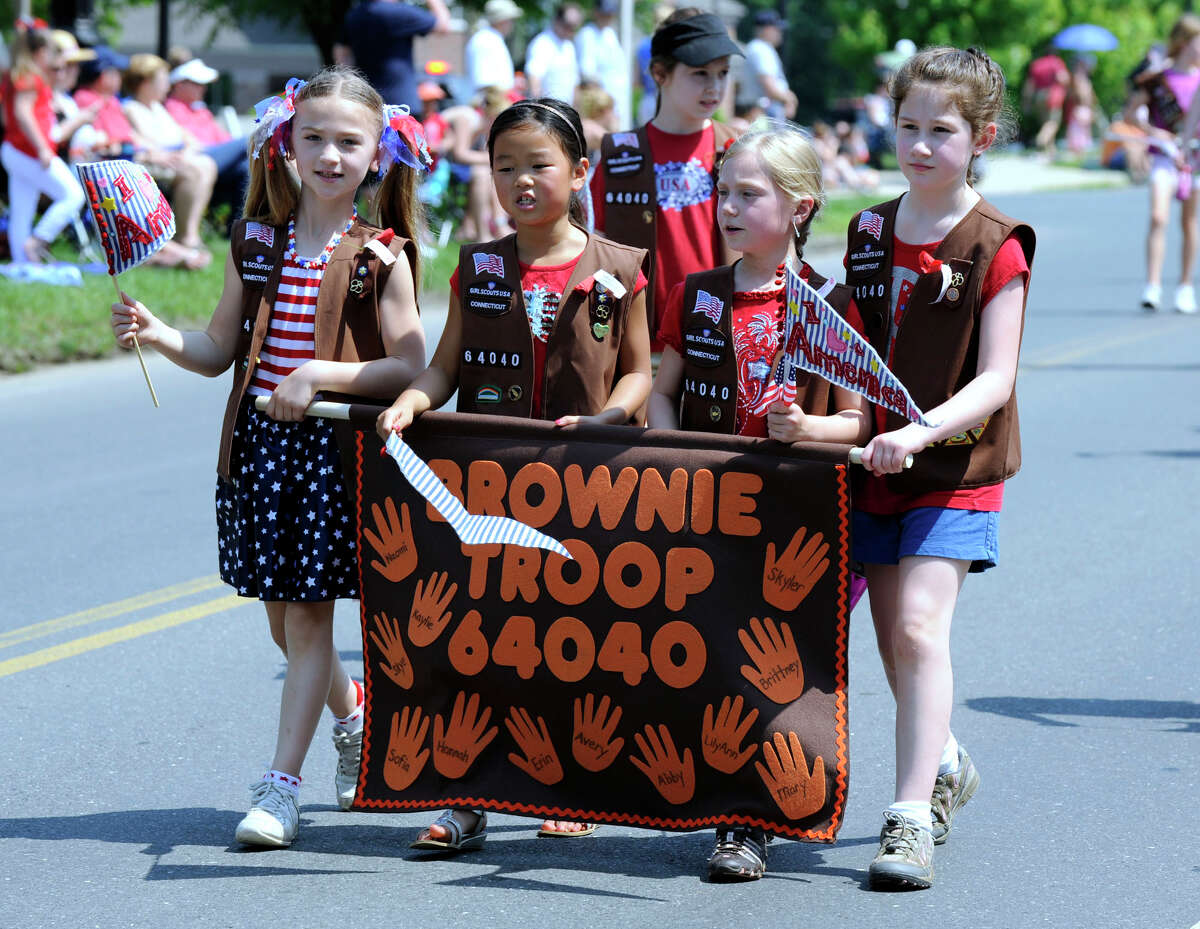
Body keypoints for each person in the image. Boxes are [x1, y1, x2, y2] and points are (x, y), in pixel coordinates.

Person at [109, 66, 428, 848]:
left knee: (310, 617)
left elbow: (412, 366)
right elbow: (220, 347)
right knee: (282, 625)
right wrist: (157, 332)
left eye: (347, 141)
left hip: (330, 452)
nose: (328, 154)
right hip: (257, 449)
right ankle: (353, 717)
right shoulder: (256, 241)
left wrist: (321, 373)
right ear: (285, 142)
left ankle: (279, 787)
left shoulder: (382, 253)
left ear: (376, 154)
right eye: (313, 137)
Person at [375, 97, 652, 850]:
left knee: (572, 639)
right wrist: (409, 400)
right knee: (484, 637)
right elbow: (442, 367)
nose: (521, 181)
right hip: (489, 486)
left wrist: (609, 419)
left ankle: (569, 786)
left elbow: (637, 375)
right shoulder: (481, 265)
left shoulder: (621, 268)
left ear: (581, 172)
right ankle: (468, 795)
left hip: (587, 485)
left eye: (540, 165)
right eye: (505, 168)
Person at [648, 126, 869, 880]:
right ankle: (728, 812)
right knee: (715, 663)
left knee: (779, 669)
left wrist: (808, 426)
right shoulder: (698, 293)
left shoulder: (830, 303)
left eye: (751, 194)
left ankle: (753, 819)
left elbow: (857, 420)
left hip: (799, 525)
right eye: (724, 192)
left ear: (800, 207)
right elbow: (662, 390)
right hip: (709, 513)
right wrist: (676, 456)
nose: (730, 207)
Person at [843, 46, 1034, 890]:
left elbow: (996, 378)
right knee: (894, 646)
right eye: (908, 126)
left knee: (921, 630)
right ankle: (947, 756)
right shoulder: (869, 230)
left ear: (982, 136)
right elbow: (843, 344)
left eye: (941, 131)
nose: (919, 146)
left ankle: (909, 817)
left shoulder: (998, 243)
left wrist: (919, 434)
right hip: (872, 458)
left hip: (955, 464)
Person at [590, 8, 742, 349]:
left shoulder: (737, 149)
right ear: (660, 73)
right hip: (639, 343)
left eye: (723, 73)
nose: (714, 87)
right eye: (700, 73)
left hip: (716, 336)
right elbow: (596, 248)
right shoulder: (619, 154)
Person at [73, 47, 212, 269]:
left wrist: (144, 151)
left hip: (127, 163)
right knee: (142, 191)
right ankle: (172, 250)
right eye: (115, 72)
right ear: (102, 76)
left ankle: (168, 250)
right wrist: (147, 153)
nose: (120, 77)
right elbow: (106, 142)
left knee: (200, 166)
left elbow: (127, 138)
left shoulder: (112, 102)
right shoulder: (88, 100)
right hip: (112, 171)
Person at [1128, 15, 1200, 313]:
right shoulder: (1159, 80)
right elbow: (1130, 114)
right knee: (1158, 217)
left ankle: (1184, 286)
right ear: (1185, 42)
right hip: (1164, 157)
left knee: (1189, 222)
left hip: (1194, 159)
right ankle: (1153, 285)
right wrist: (1154, 132)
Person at [1, 18, 86, 263]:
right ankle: (37, 241)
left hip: (15, 149)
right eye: (50, 51)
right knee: (73, 194)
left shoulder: (18, 76)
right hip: (26, 150)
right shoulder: (30, 77)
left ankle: (23, 263)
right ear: (40, 51)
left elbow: (7, 118)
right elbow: (21, 113)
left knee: (22, 209)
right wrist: (41, 147)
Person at [122, 53, 220, 253]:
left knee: (206, 165)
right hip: (154, 163)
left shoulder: (158, 108)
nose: (167, 85)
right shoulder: (131, 108)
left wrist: (186, 149)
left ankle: (190, 232)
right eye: (163, 80)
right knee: (195, 169)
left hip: (176, 158)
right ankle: (185, 235)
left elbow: (186, 137)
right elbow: (141, 142)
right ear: (146, 83)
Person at [162, 57, 251, 227]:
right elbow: (190, 142)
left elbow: (224, 139)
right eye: (197, 83)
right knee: (250, 141)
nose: (203, 88)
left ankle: (237, 228)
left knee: (246, 167)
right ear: (180, 84)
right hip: (196, 158)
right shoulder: (171, 108)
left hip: (214, 160)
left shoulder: (200, 110)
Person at [333, 0, 452, 111]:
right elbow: (443, 25)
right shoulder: (398, 12)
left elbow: (341, 52)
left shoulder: (355, 15)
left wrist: (351, 86)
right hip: (401, 105)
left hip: (367, 103)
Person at [576, 0, 630, 127]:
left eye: (610, 14)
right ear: (596, 13)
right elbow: (587, 73)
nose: (607, 17)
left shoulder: (610, 34)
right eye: (604, 14)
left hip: (616, 103)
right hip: (601, 107)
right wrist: (601, 106)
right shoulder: (587, 34)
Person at [737, 9, 796, 121]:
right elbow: (770, 87)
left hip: (759, 112)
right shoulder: (761, 49)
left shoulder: (757, 48)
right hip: (762, 113)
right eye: (777, 29)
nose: (780, 32)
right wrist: (790, 98)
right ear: (767, 29)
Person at [524, 4, 583, 104]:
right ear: (557, 20)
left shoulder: (569, 46)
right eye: (568, 25)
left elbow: (574, 82)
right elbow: (534, 80)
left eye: (575, 26)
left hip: (566, 110)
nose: (571, 30)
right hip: (548, 112)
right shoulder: (542, 43)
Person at [465, 0, 519, 97]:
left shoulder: (491, 38)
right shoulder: (486, 40)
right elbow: (486, 84)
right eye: (511, 20)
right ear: (503, 20)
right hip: (491, 106)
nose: (512, 24)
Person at [1021, 45, 1069, 154]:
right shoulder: (1056, 62)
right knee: (1052, 123)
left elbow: (1029, 85)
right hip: (1052, 96)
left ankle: (1051, 151)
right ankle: (1040, 140)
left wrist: (1027, 102)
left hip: (1038, 96)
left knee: (1045, 124)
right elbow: (1063, 78)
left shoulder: (1037, 64)